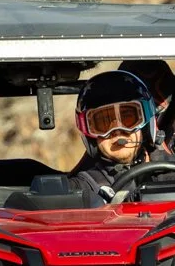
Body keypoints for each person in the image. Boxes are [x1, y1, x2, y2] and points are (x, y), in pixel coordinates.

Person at [70, 69, 168, 203]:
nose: (117, 130)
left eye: (128, 118)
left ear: (146, 126)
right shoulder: (82, 189)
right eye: (104, 122)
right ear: (90, 136)